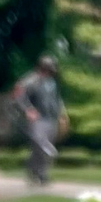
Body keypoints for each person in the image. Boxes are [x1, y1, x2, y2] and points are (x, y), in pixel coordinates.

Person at [10, 56, 67, 184]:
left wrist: (62, 114)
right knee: (41, 145)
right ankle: (38, 173)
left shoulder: (52, 83)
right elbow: (18, 96)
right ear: (41, 68)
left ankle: (39, 173)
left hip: (51, 118)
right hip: (38, 118)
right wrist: (28, 110)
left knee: (41, 147)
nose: (49, 72)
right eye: (47, 69)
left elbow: (57, 100)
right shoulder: (30, 81)